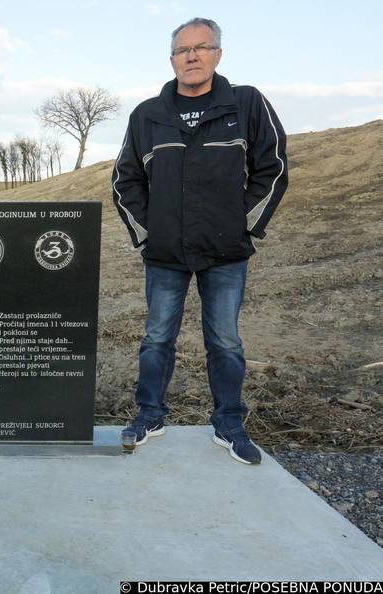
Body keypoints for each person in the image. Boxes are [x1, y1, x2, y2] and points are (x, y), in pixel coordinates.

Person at [112, 18, 287, 464]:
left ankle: (229, 424)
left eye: (201, 47)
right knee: (156, 339)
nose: (191, 56)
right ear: (171, 60)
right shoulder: (147, 114)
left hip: (226, 251)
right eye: (182, 50)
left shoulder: (246, 103)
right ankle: (149, 416)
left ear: (218, 55)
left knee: (225, 341)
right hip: (166, 253)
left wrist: (242, 224)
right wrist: (149, 233)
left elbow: (273, 168)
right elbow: (125, 180)